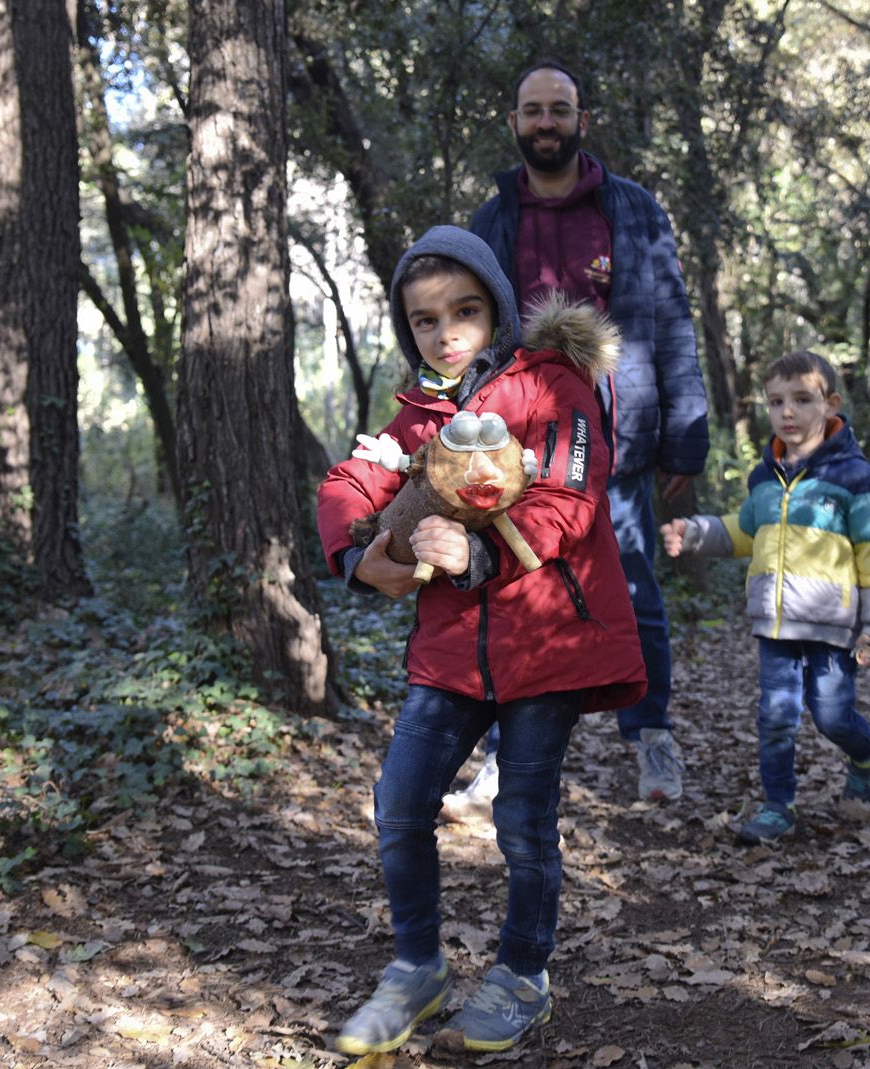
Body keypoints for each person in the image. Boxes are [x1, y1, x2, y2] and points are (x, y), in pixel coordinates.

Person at [316, 226, 646, 1055]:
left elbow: (573, 494)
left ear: (496, 307)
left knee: (523, 817)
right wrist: (360, 556)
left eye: (465, 310)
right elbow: (350, 482)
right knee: (400, 802)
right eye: (425, 320)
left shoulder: (550, 385)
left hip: (547, 644)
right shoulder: (413, 416)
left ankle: (521, 973)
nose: (447, 331)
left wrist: (482, 550)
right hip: (450, 650)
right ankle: (416, 967)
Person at [455, 59, 709, 810]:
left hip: (617, 444)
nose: (545, 123)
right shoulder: (494, 218)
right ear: (514, 122)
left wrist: (685, 439)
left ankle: (652, 734)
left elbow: (670, 323)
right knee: (515, 592)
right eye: (532, 110)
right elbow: (466, 326)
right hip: (516, 445)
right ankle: (506, 754)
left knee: (635, 592)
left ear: (581, 120)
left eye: (558, 109)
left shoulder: (631, 210)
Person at [659, 351, 870, 844]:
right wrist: (697, 532)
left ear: (830, 405)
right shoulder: (764, 479)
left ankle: (868, 750)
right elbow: (745, 532)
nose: (786, 412)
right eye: (775, 402)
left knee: (832, 715)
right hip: (773, 624)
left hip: (832, 624)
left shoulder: (857, 479)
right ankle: (778, 806)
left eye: (801, 400)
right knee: (775, 717)